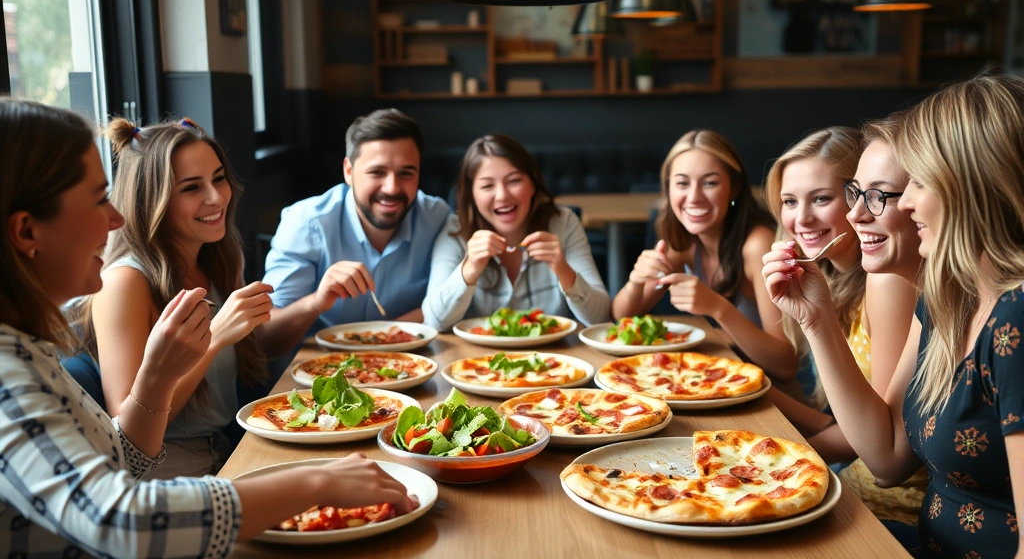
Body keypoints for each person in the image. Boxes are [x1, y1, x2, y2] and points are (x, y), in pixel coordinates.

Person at [0, 99, 414, 557]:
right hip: (182, 485)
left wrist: (159, 377)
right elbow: (119, 516)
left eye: (219, 179)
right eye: (99, 199)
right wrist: (314, 482)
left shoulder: (30, 349)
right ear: (25, 232)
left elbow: (124, 456)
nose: (115, 218)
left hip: (219, 457)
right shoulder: (13, 371)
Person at [763, 75, 1024, 559]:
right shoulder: (941, 300)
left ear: (972, 188)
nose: (899, 204)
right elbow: (886, 460)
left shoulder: (1016, 318)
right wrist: (815, 318)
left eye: (915, 183)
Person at [68, 117, 272, 479]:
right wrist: (216, 336)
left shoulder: (221, 257)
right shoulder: (123, 282)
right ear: (152, 200)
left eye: (219, 178)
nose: (216, 197)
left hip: (225, 447)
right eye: (192, 188)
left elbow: (258, 347)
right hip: (164, 470)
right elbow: (128, 427)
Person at [763, 123, 926, 542]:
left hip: (888, 510)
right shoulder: (835, 280)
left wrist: (776, 448)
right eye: (788, 201)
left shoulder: (888, 280)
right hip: (853, 481)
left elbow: (880, 450)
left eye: (822, 198)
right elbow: (844, 421)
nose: (801, 218)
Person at [261, 109, 449, 362]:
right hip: (317, 378)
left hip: (413, 367)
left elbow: (454, 300)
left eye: (406, 173)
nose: (392, 188)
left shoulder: (438, 218)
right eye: (377, 172)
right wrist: (317, 301)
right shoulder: (305, 223)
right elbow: (265, 343)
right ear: (348, 171)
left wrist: (381, 343)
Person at [612, 129, 796, 381]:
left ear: (734, 188)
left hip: (780, 394)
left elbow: (786, 365)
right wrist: (634, 282)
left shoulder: (757, 245)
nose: (694, 197)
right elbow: (621, 321)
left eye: (710, 182)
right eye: (682, 183)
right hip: (727, 378)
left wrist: (718, 308)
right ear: (668, 189)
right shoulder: (685, 243)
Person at [423, 134, 610, 330]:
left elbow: (601, 317)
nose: (503, 196)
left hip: (553, 358)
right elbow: (434, 322)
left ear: (532, 184)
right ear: (472, 195)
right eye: (487, 186)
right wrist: (469, 268)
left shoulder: (563, 223)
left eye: (513, 181)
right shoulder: (455, 230)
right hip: (475, 359)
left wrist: (564, 270)